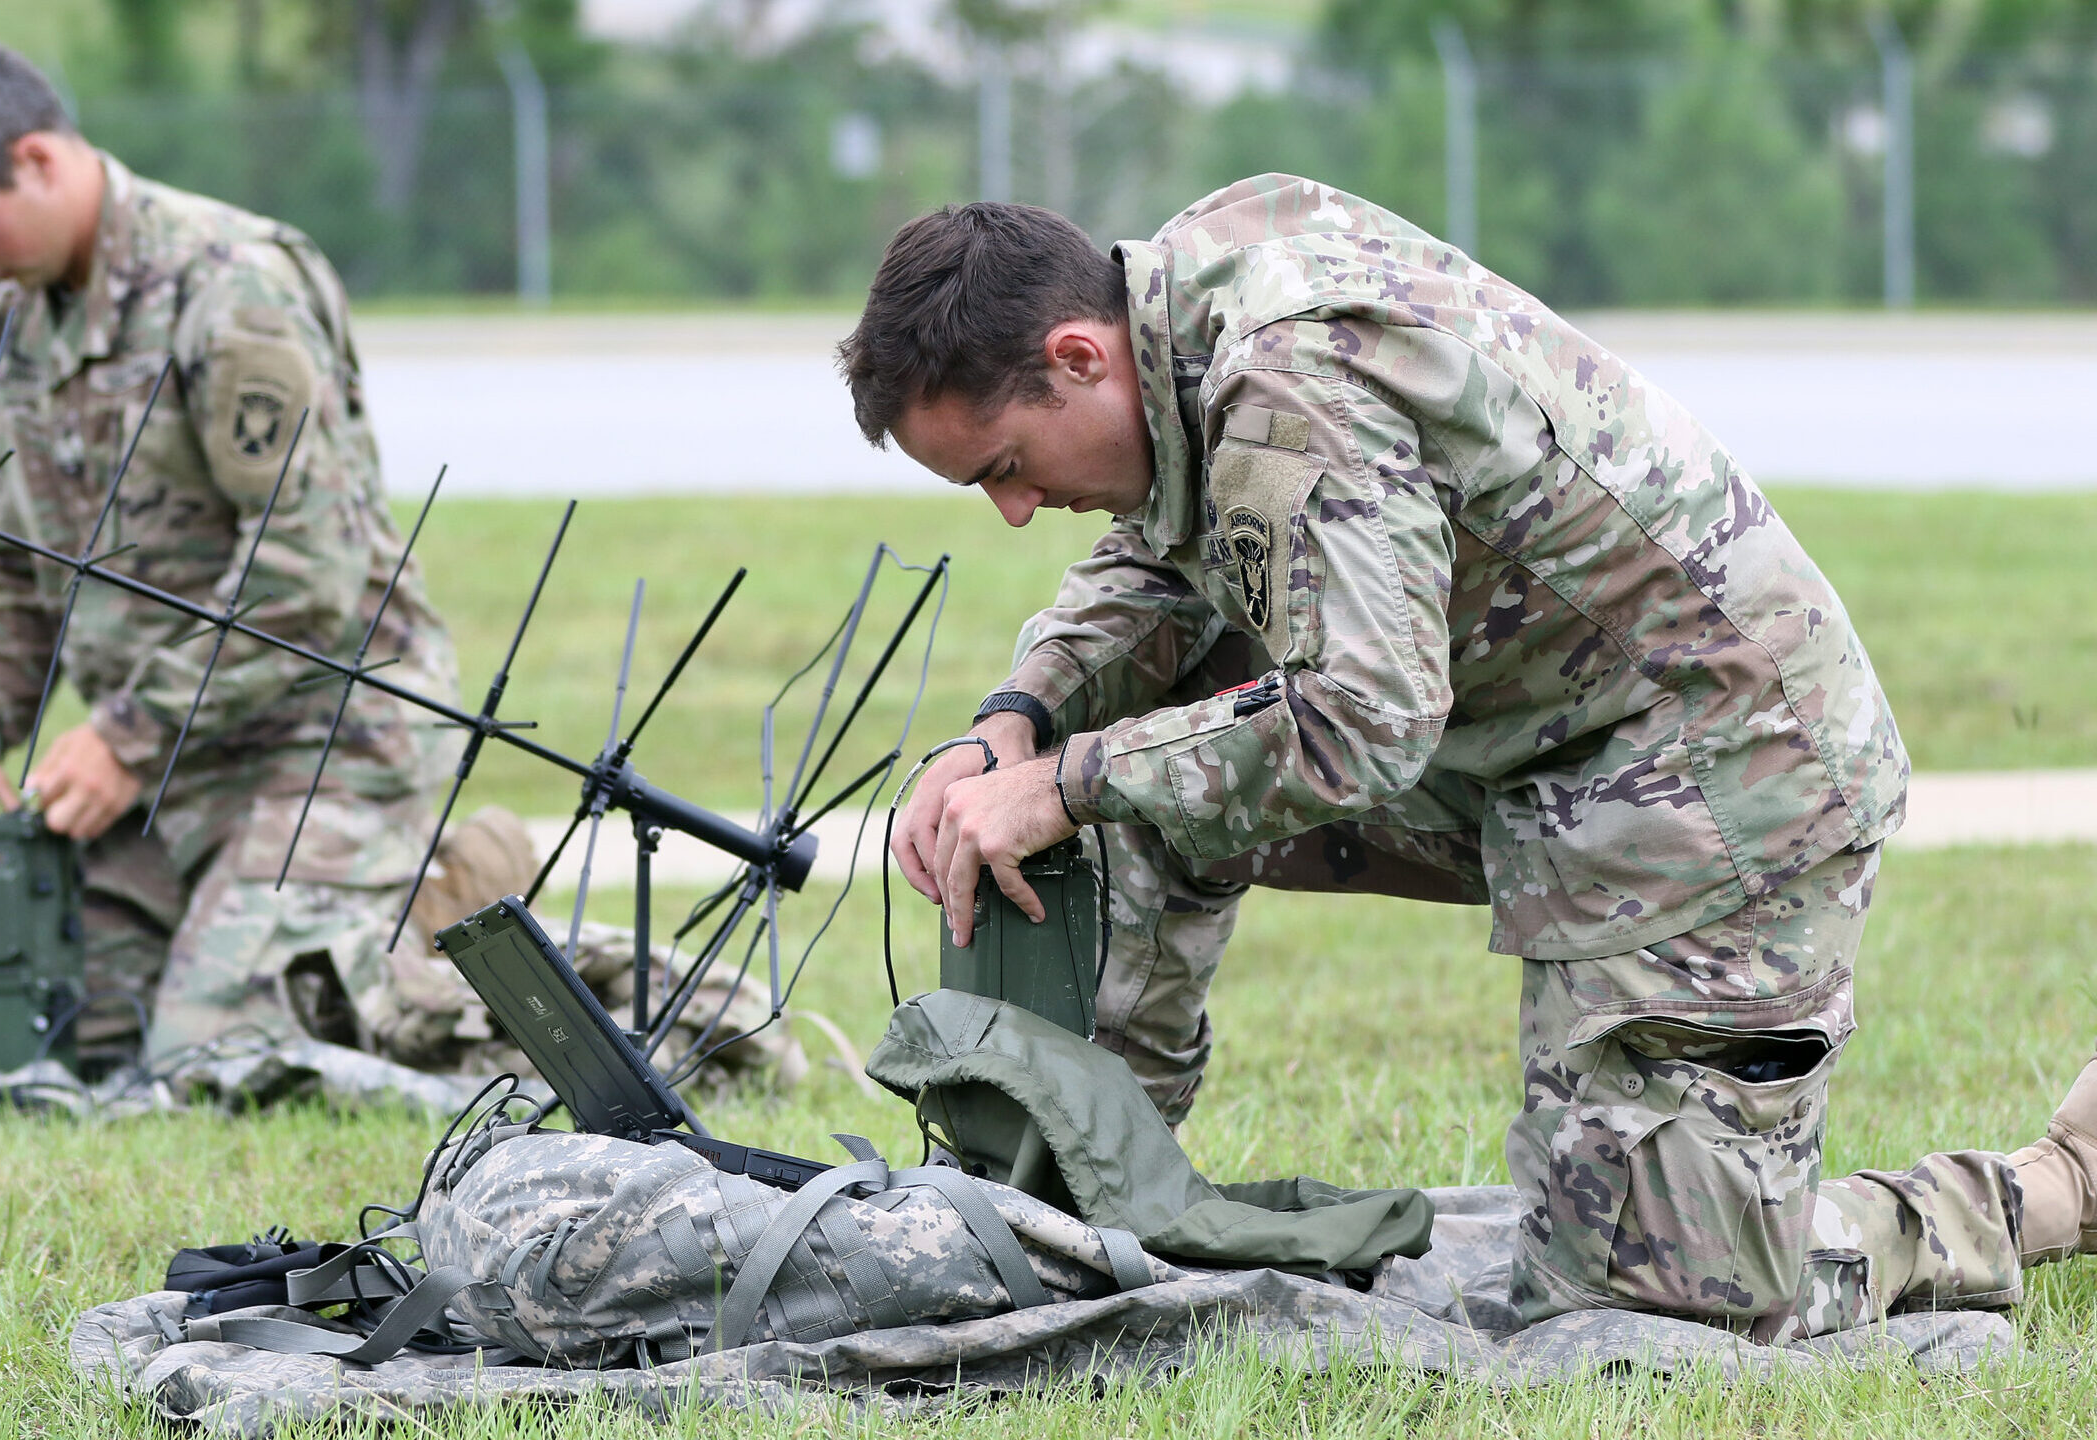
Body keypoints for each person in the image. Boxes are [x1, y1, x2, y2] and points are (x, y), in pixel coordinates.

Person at [854, 176, 2097, 1341]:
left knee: (1646, 1317)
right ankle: (1080, 1204)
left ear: (1077, 356)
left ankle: (2050, 1187)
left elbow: (1361, 721)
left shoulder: (1290, 378)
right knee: (1094, 767)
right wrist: (1013, 719)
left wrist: (1062, 780)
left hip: (1718, 789)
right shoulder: (1184, 302)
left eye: (1006, 469)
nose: (1012, 513)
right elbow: (1168, 557)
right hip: (1541, 759)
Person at [0, 41, 528, 1066]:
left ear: (37, 159)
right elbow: (9, 568)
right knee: (63, 1044)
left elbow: (310, 576)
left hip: (327, 743)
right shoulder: (18, 324)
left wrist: (126, 735)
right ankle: (310, 920)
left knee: (224, 1057)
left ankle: (465, 893)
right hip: (169, 774)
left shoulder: (230, 290)